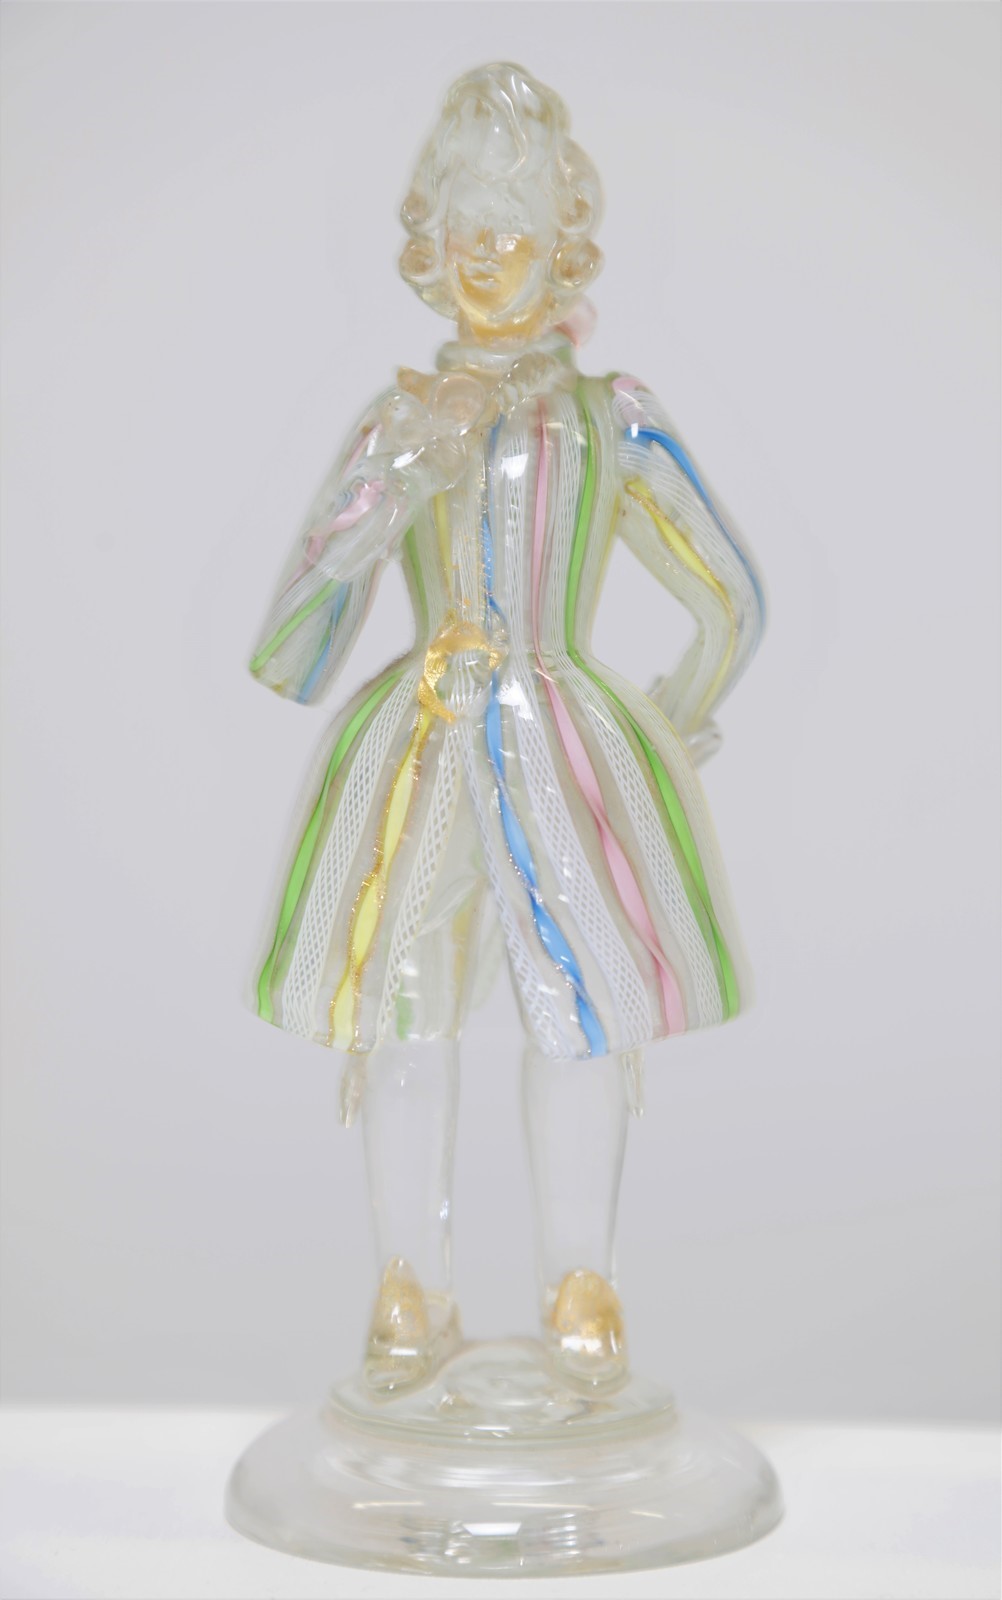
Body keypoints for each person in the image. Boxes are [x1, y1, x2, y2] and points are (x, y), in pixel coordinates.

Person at [247, 61, 766, 1395]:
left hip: (562, 743)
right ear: (429, 247)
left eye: (513, 232)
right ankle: (407, 1287)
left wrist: (672, 727)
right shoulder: (398, 422)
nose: (486, 259)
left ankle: (580, 1283)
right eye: (463, 231)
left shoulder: (608, 420)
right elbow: (296, 644)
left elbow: (729, 598)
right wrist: (382, 497)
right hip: (420, 740)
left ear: (560, 244)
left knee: (578, 1014)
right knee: (404, 1011)